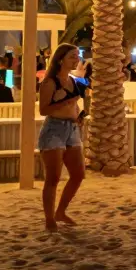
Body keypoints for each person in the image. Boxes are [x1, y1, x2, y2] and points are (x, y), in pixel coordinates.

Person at [36, 44, 87, 231]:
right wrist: (65, 102)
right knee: (53, 177)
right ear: (60, 60)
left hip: (72, 129)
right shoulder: (50, 82)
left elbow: (74, 105)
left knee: (78, 174)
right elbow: (43, 110)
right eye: (72, 56)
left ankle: (61, 211)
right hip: (54, 129)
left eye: (77, 56)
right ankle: (49, 218)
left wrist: (78, 116)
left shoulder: (73, 80)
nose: (76, 60)